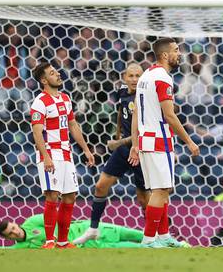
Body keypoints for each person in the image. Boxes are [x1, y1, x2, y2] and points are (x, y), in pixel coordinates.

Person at [129, 38, 200, 248]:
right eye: (176, 50)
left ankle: (164, 235)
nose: (179, 54)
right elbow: (169, 115)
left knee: (161, 190)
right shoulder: (162, 78)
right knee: (161, 190)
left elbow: (136, 113)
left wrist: (135, 142)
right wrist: (189, 141)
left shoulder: (146, 75)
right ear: (165, 55)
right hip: (159, 140)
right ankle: (149, 240)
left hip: (146, 139)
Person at [73, 63, 149, 245]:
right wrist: (117, 134)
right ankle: (93, 229)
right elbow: (121, 113)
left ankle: (156, 235)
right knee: (100, 186)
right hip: (124, 150)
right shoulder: (123, 92)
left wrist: (118, 142)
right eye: (130, 75)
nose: (134, 79)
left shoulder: (145, 98)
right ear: (124, 77)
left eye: (138, 76)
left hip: (140, 150)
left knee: (144, 199)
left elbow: (144, 129)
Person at [30, 62, 95, 249]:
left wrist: (86, 149)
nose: (58, 74)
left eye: (56, 71)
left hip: (67, 154)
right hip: (50, 153)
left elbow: (73, 126)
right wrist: (46, 156)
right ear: (44, 80)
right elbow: (37, 132)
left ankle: (63, 241)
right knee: (52, 195)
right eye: (52, 73)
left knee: (70, 196)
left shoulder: (65, 98)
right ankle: (49, 241)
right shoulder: (40, 102)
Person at [0, 214, 184, 249]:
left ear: (16, 224)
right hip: (91, 244)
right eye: (10, 234)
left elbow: (59, 216)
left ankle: (178, 245)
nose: (15, 233)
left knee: (141, 234)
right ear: (8, 238)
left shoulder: (33, 221)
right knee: (138, 248)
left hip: (91, 228)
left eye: (13, 228)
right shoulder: (22, 247)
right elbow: (0, 251)